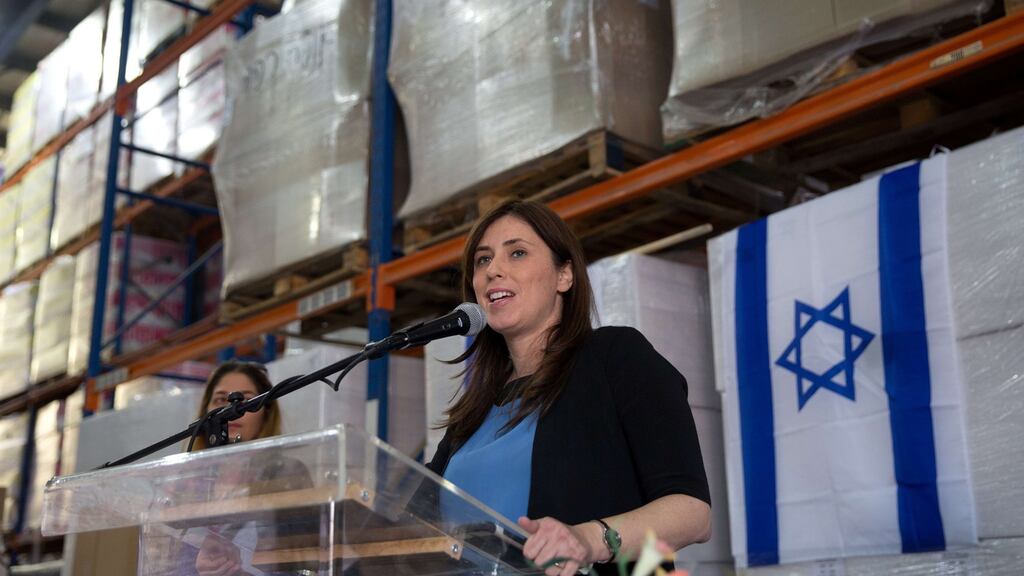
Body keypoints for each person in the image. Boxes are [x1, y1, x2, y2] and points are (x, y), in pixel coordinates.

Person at [427, 200, 712, 576]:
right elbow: (413, 511)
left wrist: (588, 540)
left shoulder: (614, 359)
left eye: (517, 253)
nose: (494, 270)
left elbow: (693, 513)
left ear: (564, 276)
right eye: (482, 260)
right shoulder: (474, 409)